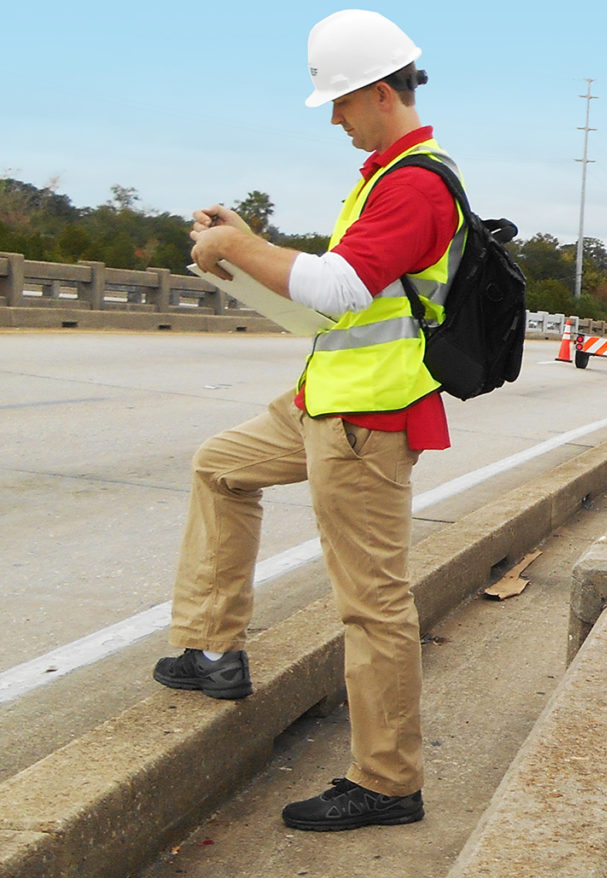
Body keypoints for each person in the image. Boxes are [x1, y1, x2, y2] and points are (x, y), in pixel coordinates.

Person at [153, 9, 460, 832]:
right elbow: (335, 295)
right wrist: (251, 253)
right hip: (325, 400)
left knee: (372, 602)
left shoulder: (417, 184)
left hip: (367, 420)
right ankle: (212, 650)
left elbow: (338, 290)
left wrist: (238, 249)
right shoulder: (386, 175)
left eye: (339, 102)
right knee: (220, 463)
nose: (333, 118)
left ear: (376, 92)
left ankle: (389, 782)